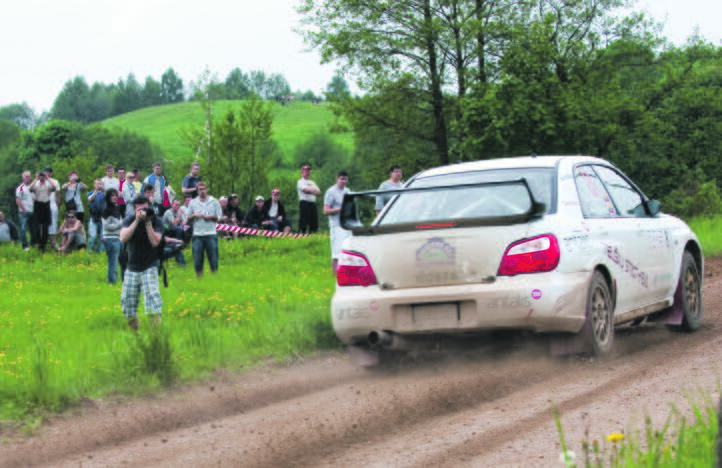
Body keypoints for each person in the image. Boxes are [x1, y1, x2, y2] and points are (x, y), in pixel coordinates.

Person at [119, 196, 164, 331]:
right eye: (139, 209)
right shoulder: (129, 220)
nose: (143, 211)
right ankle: (135, 337)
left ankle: (157, 339)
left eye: (145, 208)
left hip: (149, 266)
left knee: (153, 306)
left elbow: (155, 242)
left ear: (149, 206)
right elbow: (122, 238)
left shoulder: (156, 220)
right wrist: (137, 221)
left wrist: (148, 223)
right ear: (134, 210)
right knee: (128, 306)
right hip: (132, 267)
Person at [185, 182, 221, 279]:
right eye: (200, 189)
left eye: (204, 189)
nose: (202, 191)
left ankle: (215, 279)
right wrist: (194, 216)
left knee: (213, 259)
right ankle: (199, 280)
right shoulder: (193, 202)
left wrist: (210, 217)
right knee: (197, 260)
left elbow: (220, 217)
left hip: (211, 234)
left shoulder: (214, 201)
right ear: (197, 191)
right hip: (197, 235)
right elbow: (187, 220)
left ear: (207, 189)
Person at [324, 170, 352, 275]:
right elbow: (325, 210)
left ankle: (346, 272)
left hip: (347, 225)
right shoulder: (331, 192)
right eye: (341, 179)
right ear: (337, 178)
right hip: (336, 225)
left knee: (348, 250)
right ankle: (334, 275)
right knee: (336, 252)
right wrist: (339, 209)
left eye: (345, 179)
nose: (343, 181)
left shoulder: (348, 191)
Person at [29, 170, 58, 253]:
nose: (41, 177)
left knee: (45, 227)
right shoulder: (36, 183)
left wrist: (47, 178)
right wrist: (36, 179)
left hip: (46, 205)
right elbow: (30, 189)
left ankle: (43, 245)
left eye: (42, 176)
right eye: (40, 176)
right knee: (37, 226)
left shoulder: (48, 183)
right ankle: (38, 242)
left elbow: (54, 188)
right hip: (38, 205)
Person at [102, 188, 124, 284]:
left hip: (119, 238)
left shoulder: (117, 208)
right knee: (113, 262)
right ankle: (112, 282)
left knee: (124, 261)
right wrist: (119, 225)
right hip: (111, 239)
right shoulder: (106, 210)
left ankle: (125, 281)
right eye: (112, 195)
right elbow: (106, 226)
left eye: (115, 195)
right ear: (108, 197)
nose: (115, 197)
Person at [296, 163, 321, 234]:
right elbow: (305, 190)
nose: (307, 172)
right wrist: (313, 190)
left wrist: (310, 189)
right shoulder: (300, 181)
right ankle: (302, 234)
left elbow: (319, 192)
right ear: (302, 171)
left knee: (314, 221)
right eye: (305, 170)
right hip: (304, 203)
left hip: (312, 203)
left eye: (308, 171)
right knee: (303, 221)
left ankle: (312, 234)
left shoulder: (312, 182)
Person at [15, 171, 35, 250]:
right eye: (26, 176)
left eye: (29, 176)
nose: (28, 178)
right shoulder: (20, 188)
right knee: (23, 228)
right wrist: (24, 209)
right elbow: (18, 199)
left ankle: (33, 244)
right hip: (23, 212)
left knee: (33, 228)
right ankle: (24, 245)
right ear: (23, 178)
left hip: (32, 211)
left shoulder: (32, 187)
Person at [87, 179, 106, 253]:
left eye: (100, 184)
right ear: (94, 185)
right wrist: (96, 191)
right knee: (93, 236)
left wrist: (103, 189)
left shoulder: (104, 194)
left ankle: (100, 251)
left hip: (103, 217)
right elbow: (90, 199)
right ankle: (90, 251)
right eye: (97, 184)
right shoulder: (90, 193)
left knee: (103, 237)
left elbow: (109, 198)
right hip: (93, 217)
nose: (99, 185)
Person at [45, 167, 61, 249]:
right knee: (43, 224)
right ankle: (44, 242)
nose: (48, 173)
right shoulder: (40, 181)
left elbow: (58, 193)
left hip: (52, 204)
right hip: (43, 205)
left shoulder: (55, 181)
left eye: (49, 172)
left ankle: (53, 243)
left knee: (53, 224)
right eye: (47, 172)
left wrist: (58, 205)